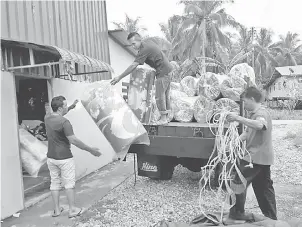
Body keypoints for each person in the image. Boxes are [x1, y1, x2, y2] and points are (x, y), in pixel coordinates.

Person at [225, 86, 277, 224]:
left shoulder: (261, 114)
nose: (245, 105)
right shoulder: (253, 114)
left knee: (237, 182)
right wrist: (235, 141)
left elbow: (260, 125)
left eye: (246, 102)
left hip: (255, 157)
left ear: (253, 99)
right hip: (262, 158)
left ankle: (237, 214)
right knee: (263, 189)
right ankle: (272, 219)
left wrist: (238, 118)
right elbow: (248, 132)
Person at [45, 96, 102, 218]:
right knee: (69, 184)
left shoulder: (47, 118)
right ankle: (72, 210)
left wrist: (71, 107)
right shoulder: (65, 122)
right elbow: (74, 140)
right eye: (65, 105)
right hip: (64, 158)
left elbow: (60, 113)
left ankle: (57, 210)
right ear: (60, 108)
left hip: (51, 158)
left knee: (54, 183)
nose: (67, 107)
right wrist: (91, 150)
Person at [110, 32, 173, 125]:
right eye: (131, 44)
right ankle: (166, 117)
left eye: (133, 44)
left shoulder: (144, 49)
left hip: (163, 72)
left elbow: (133, 66)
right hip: (168, 69)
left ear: (139, 40)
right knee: (165, 95)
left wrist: (119, 77)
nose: (132, 46)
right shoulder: (147, 43)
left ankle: (164, 118)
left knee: (159, 96)